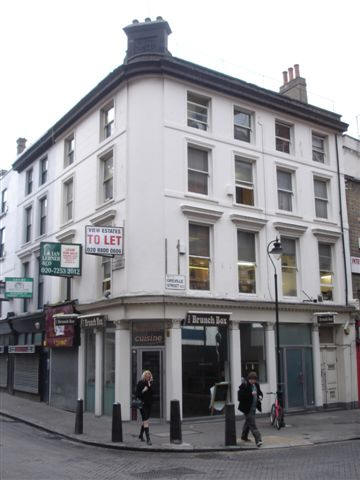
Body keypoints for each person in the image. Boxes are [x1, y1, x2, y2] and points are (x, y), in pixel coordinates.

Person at [237, 371, 263, 447]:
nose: (252, 381)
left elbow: (260, 393)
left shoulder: (256, 385)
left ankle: (244, 436)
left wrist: (260, 396)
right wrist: (250, 394)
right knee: (252, 424)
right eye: (251, 379)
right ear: (248, 379)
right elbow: (240, 397)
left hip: (254, 408)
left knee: (248, 422)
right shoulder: (244, 385)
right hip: (247, 408)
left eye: (254, 380)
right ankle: (258, 440)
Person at [136, 370, 153, 445]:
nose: (148, 376)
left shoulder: (150, 383)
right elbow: (137, 394)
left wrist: (149, 385)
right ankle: (148, 439)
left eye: (149, 375)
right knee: (145, 420)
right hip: (142, 404)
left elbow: (153, 393)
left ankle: (140, 435)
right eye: (146, 375)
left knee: (145, 420)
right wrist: (143, 390)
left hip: (149, 404)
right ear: (144, 376)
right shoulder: (140, 383)